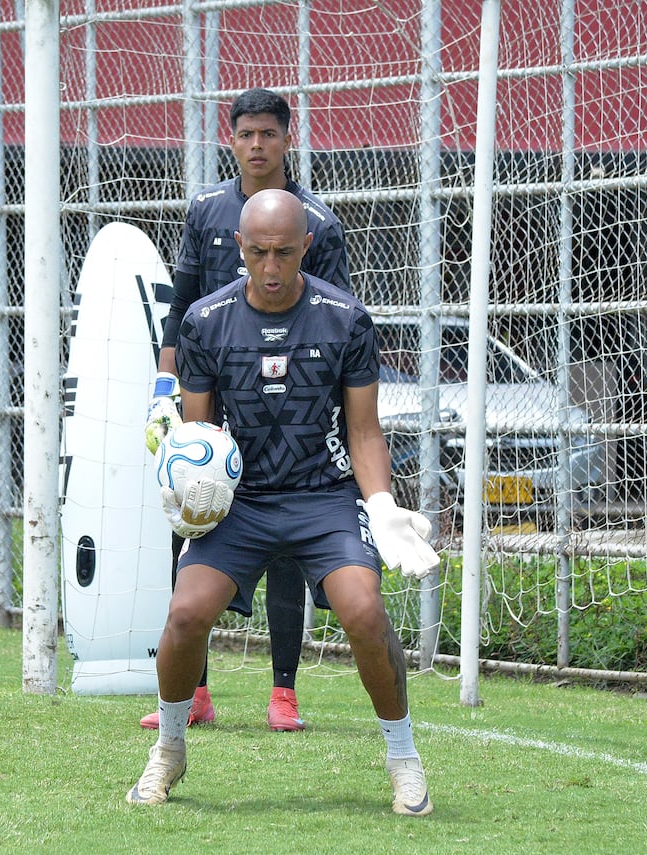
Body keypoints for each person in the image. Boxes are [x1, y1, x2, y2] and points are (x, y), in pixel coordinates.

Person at [128, 189, 439, 814]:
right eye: (259, 253)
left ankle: (403, 756)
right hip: (241, 505)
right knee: (186, 614)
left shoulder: (345, 319)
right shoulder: (205, 322)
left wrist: (380, 504)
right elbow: (201, 437)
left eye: (286, 253)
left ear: (308, 248)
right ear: (240, 247)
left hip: (322, 499)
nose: (271, 268)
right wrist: (180, 466)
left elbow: (363, 430)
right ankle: (169, 748)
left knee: (365, 612)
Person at [142, 87, 350, 732]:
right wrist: (163, 388)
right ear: (229, 140)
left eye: (268, 134)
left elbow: (339, 322)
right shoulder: (205, 211)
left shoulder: (319, 220)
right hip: (213, 393)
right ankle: (195, 692)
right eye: (245, 134)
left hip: (288, 405)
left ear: (289, 138)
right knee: (193, 522)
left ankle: (282, 691)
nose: (256, 145)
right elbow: (182, 306)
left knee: (286, 537)